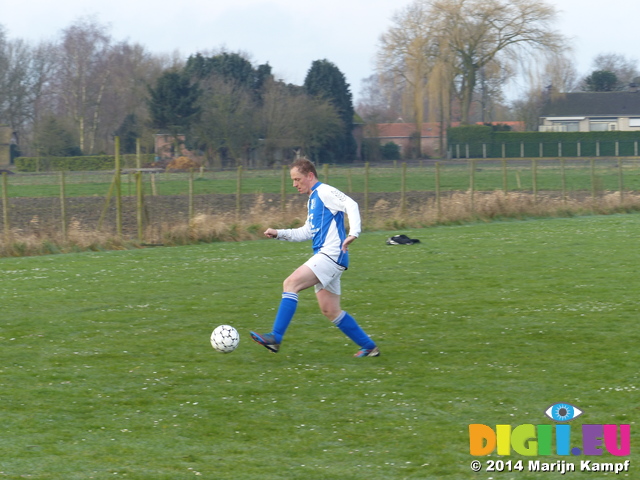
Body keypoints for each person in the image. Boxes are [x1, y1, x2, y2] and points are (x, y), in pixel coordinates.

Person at [250, 158, 379, 357]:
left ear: (310, 175)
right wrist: (279, 233)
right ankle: (369, 347)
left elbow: (351, 204)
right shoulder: (313, 199)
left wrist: (354, 233)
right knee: (330, 310)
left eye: (297, 179)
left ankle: (275, 337)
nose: (294, 184)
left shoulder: (325, 192)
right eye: (292, 180)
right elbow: (306, 232)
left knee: (291, 283)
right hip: (331, 257)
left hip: (331, 254)